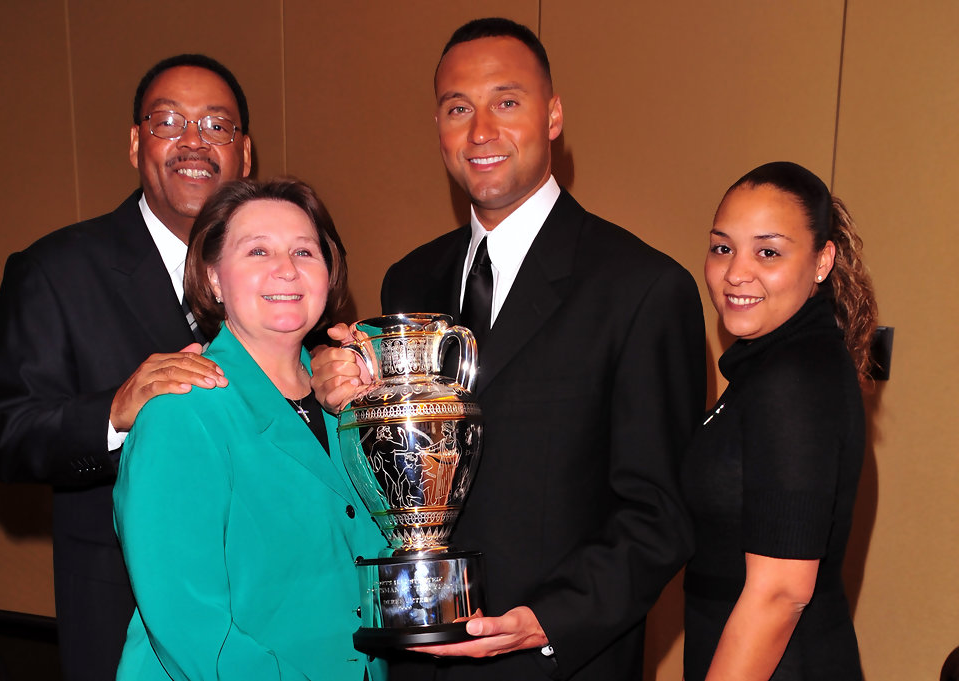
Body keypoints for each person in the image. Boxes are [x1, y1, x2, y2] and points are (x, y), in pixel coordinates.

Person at [312, 17, 705, 681]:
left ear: (552, 115)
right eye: (457, 108)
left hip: (557, 660)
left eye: (507, 102)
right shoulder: (409, 281)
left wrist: (546, 620)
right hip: (418, 659)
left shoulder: (642, 288)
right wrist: (340, 394)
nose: (481, 131)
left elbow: (660, 515)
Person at [0, 54, 251, 680]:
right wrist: (113, 414)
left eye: (216, 126)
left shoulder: (281, 271)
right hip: (128, 618)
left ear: (244, 154)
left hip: (266, 613)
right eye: (168, 121)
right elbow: (3, 433)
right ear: (135, 143)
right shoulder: (56, 270)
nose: (193, 143)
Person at [112, 178, 386, 681]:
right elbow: (190, 626)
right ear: (214, 278)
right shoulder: (180, 414)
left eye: (305, 251)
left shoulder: (352, 405)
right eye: (258, 250)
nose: (286, 269)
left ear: (328, 273)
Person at [681, 161, 877, 680]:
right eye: (723, 247)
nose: (736, 273)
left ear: (821, 261)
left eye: (768, 252)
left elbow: (781, 592)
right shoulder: (774, 366)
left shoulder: (795, 376)